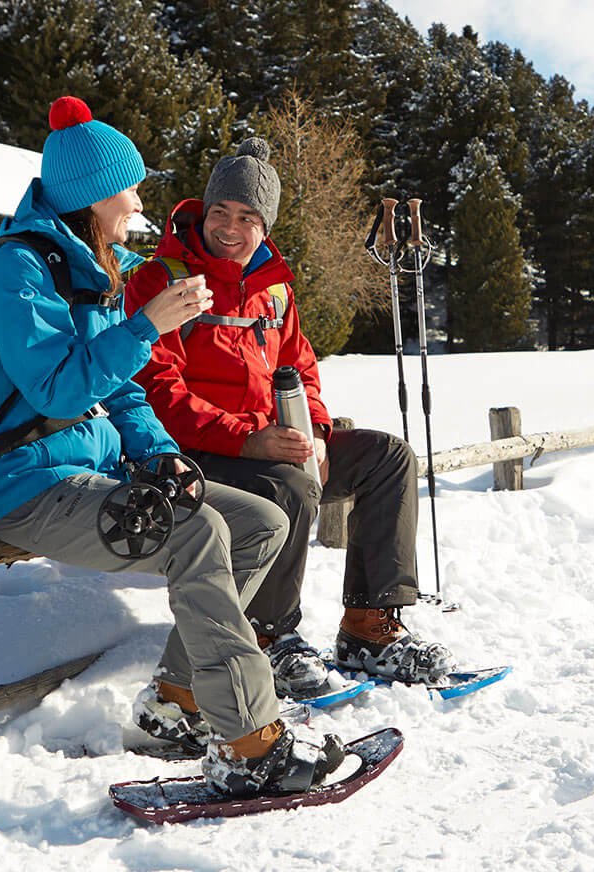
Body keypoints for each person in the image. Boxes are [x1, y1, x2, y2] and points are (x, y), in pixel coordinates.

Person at [0, 98, 341, 796]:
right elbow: (58, 391)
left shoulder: (93, 267)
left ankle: (179, 701)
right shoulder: (19, 275)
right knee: (195, 533)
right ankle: (250, 738)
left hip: (94, 472)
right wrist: (146, 325)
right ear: (96, 195)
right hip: (30, 488)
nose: (139, 199)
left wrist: (164, 455)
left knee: (262, 522)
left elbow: (124, 390)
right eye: (129, 187)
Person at [123, 137, 457, 701]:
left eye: (248, 217)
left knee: (388, 456)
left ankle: (369, 627)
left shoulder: (273, 288)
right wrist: (251, 440)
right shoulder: (162, 280)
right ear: (204, 211)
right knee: (291, 483)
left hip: (269, 440)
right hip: (191, 452)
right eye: (221, 212)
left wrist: (318, 433)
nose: (230, 228)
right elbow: (158, 391)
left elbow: (299, 366)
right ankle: (269, 634)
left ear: (265, 224)